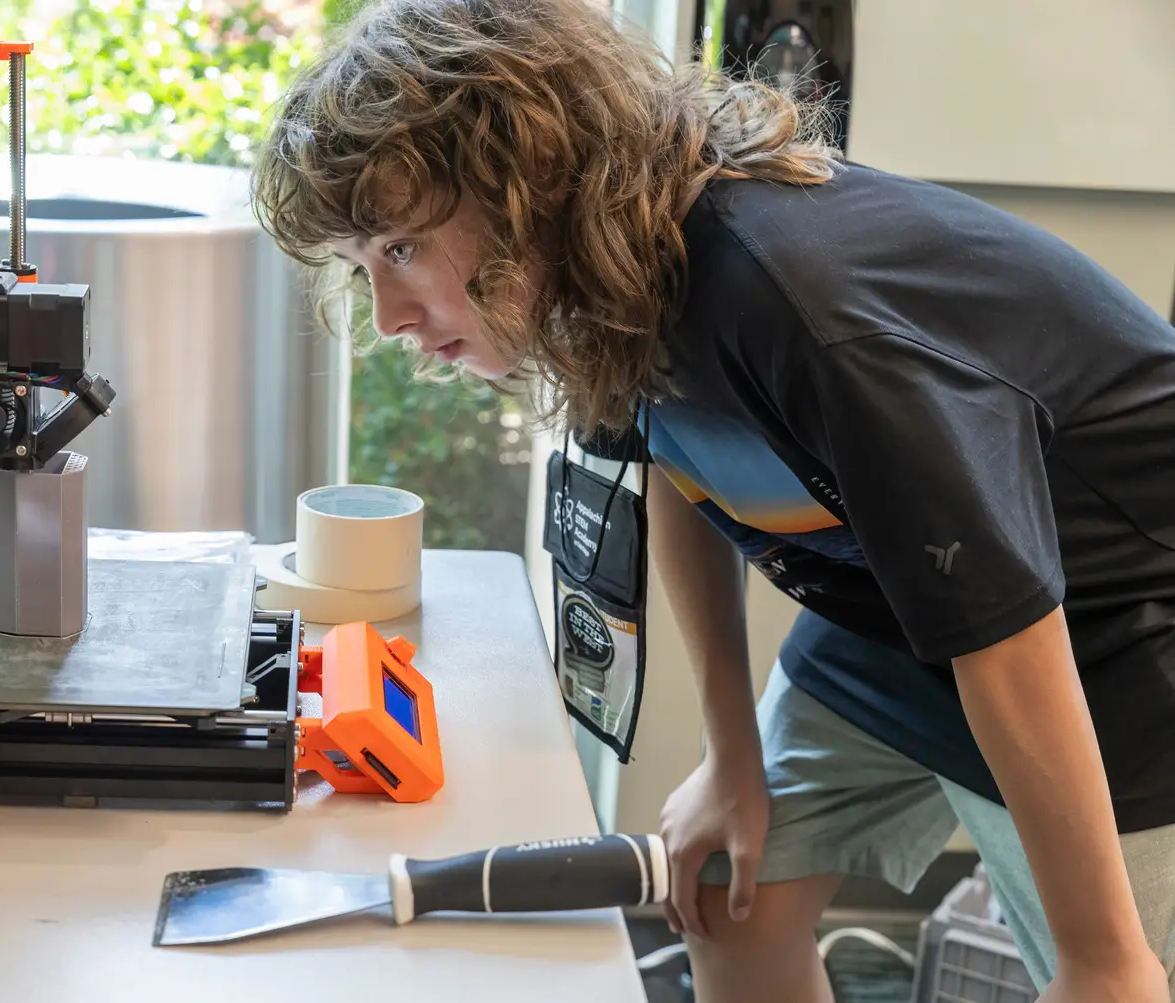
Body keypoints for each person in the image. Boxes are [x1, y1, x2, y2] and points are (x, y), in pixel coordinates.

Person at [248, 1, 1175, 1000]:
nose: (387, 316)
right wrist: (729, 756)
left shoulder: (795, 303)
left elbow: (1005, 624)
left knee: (1117, 977)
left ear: (530, 176)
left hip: (1111, 628)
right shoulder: (611, 276)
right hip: (902, 603)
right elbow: (687, 473)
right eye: (360, 266)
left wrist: (1101, 960)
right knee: (728, 891)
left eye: (399, 249)